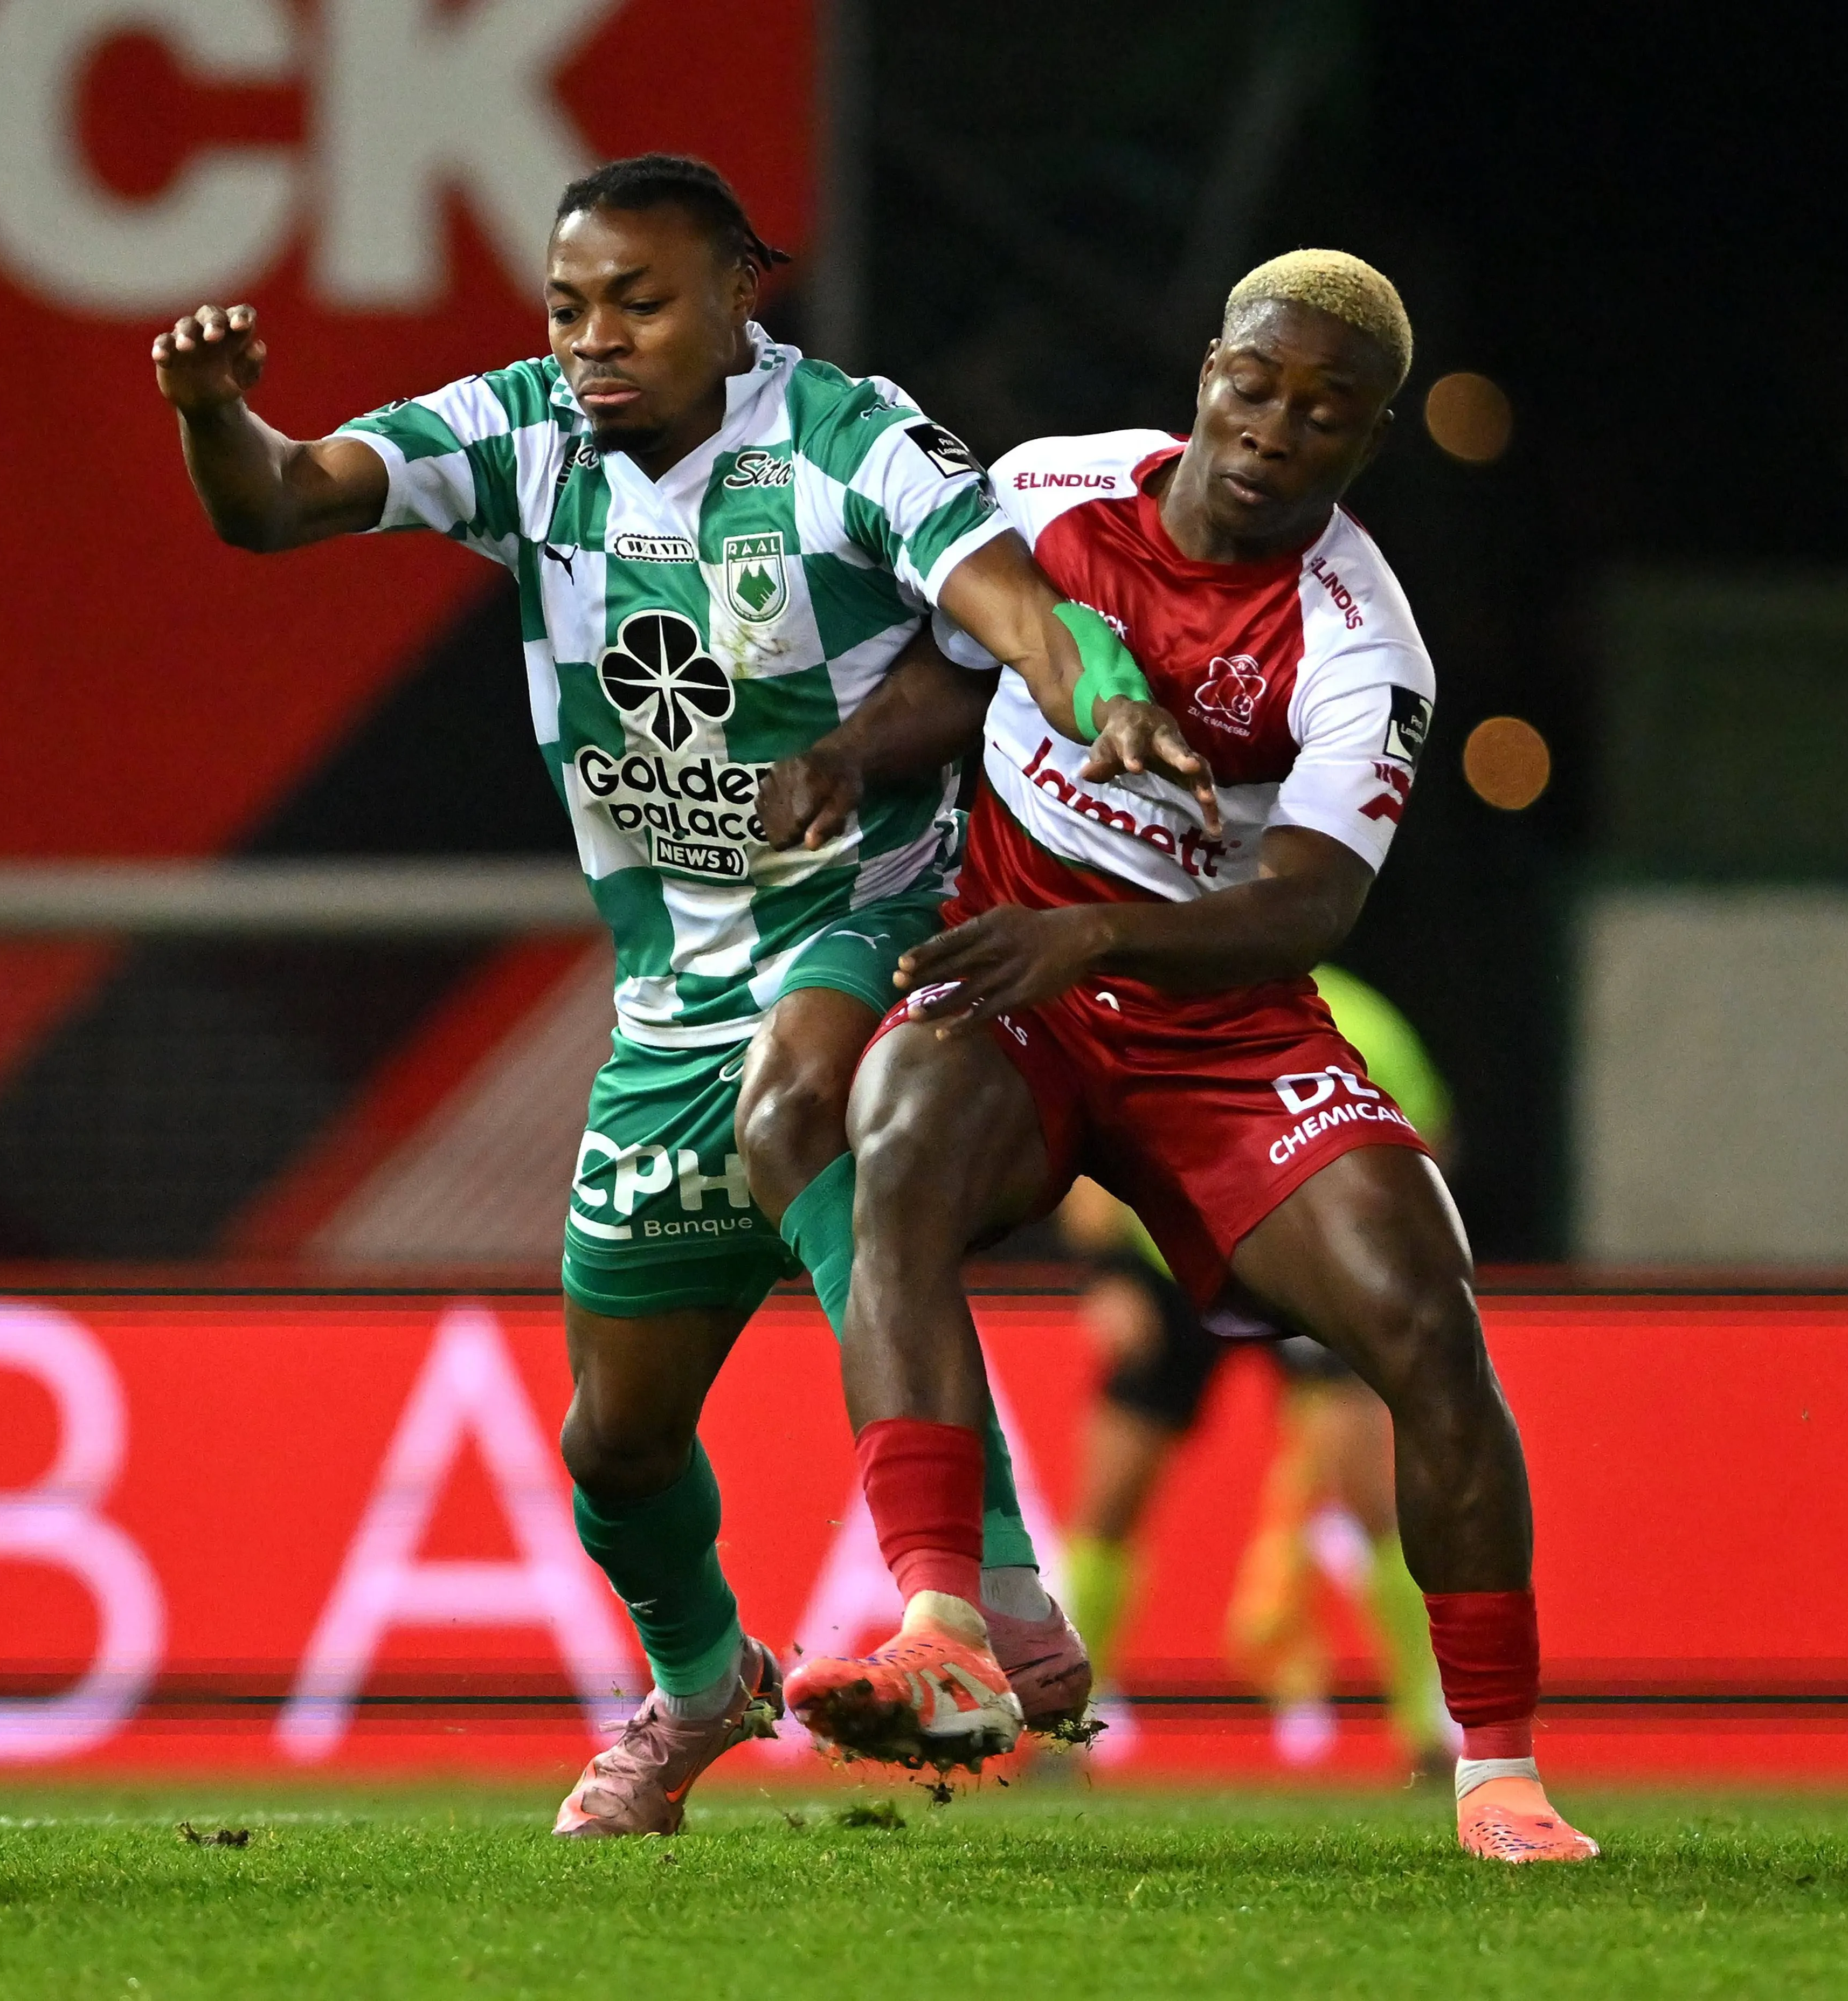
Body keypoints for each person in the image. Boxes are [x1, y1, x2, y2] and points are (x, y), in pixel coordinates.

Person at [150, 155, 1215, 1837]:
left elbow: (1016, 607)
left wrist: (1102, 694)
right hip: (668, 987)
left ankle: (973, 1607)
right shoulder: (522, 435)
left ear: (741, 294)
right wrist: (217, 417)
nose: (595, 338)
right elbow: (280, 500)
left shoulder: (852, 441)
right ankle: (703, 1684)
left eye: (640, 302)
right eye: (570, 304)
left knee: (811, 1112)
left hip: (877, 916)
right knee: (616, 1449)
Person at [782, 249, 1598, 1863]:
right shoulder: (1050, 491)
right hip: (1015, 987)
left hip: (1217, 1027)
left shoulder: (1365, 641)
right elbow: (959, 672)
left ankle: (1494, 1765)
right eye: (1259, 382)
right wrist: (843, 755)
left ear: (1367, 442)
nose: (1277, 427)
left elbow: (1308, 903)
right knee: (891, 1145)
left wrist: (1093, 934)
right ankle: (950, 1624)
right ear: (1209, 364)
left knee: (1429, 1323)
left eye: (1327, 412)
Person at [1058, 963, 1455, 1778]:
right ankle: (1067, 1721)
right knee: (1109, 1493)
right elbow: (1085, 1142)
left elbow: (1426, 1144)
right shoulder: (1151, 997)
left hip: (1303, 1265)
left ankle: (1430, 1728)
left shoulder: (1360, 1019)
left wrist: (1377, 1256)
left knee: (1373, 1488)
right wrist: (1104, 1274)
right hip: (1165, 1269)